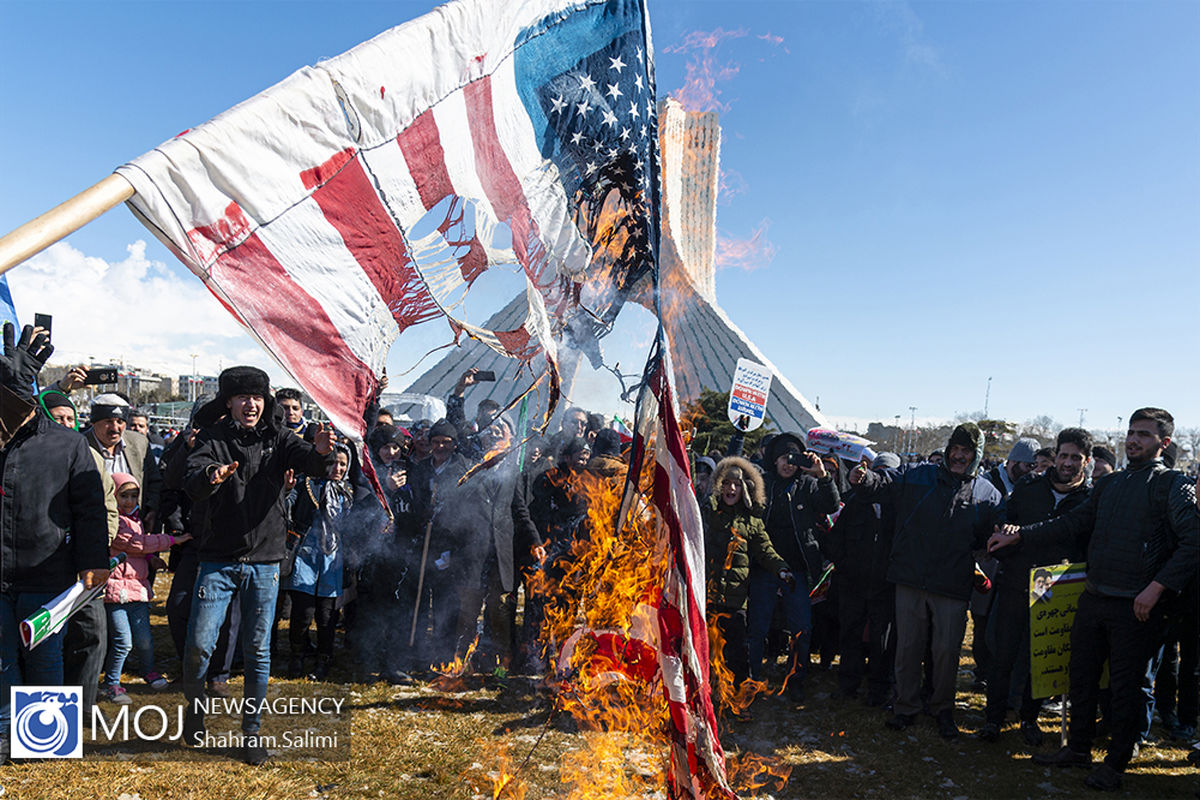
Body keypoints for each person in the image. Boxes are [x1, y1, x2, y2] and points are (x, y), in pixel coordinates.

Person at [989, 408, 1199, 791]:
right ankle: (1078, 748)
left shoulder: (1172, 484)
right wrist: (1021, 535)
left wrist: (1157, 587)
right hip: (1094, 595)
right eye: (1131, 432)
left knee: (1125, 688)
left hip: (1137, 605)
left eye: (1144, 434)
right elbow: (1071, 523)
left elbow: (1193, 542)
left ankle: (1116, 764)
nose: (1133, 439)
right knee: (1081, 679)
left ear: (1164, 443)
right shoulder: (1110, 484)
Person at [182, 366, 335, 765]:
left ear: (265, 402)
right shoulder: (214, 438)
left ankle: (251, 731)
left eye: (257, 397)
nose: (250, 404)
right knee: (199, 645)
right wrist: (212, 475)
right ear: (229, 402)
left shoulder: (279, 437)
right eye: (242, 397)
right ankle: (194, 712)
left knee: (257, 649)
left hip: (265, 560)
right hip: (217, 559)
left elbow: (311, 462)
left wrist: (321, 453)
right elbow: (192, 478)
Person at [850, 422, 1003, 739]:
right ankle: (905, 706)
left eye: (966, 451)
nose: (958, 456)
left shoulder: (988, 495)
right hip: (910, 578)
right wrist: (864, 479)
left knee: (946, 651)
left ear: (977, 455)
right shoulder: (917, 476)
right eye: (954, 449)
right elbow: (884, 483)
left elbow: (992, 535)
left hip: (952, 585)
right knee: (907, 647)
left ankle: (942, 708)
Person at [0, 324, 109, 764]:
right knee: (3, 658)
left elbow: (90, 511)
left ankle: (45, 741)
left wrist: (93, 563)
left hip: (48, 573)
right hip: (2, 575)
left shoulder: (68, 445)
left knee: (45, 657)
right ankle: (6, 736)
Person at [977, 428, 1092, 745]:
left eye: (1075, 458)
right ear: (1055, 456)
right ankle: (993, 719)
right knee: (1003, 655)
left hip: (1057, 590)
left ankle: (1029, 718)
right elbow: (1004, 526)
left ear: (1086, 461)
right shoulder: (1029, 487)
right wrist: (1005, 535)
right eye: (1063, 455)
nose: (1067, 463)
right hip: (1017, 581)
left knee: (1040, 658)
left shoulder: (1090, 500)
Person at [746, 433, 840, 701]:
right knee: (758, 626)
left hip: (797, 568)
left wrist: (822, 475)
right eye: (782, 458)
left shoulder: (808, 484)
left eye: (793, 459)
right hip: (765, 567)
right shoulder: (763, 484)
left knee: (801, 627)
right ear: (773, 460)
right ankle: (752, 677)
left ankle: (796, 679)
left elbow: (831, 505)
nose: (787, 464)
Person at [703, 457, 791, 689]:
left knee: (738, 653)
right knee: (706, 651)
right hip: (707, 597)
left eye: (737, 484)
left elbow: (766, 551)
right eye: (726, 482)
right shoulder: (709, 514)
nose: (731, 488)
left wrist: (781, 569)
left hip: (735, 601)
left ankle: (740, 696)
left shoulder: (752, 521)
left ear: (746, 488)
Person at [101, 473, 187, 704]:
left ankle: (148, 671)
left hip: (137, 589)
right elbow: (133, 543)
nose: (129, 501)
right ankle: (112, 683)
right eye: (124, 496)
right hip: (117, 593)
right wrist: (171, 540)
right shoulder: (113, 522)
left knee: (145, 639)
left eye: (134, 496)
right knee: (123, 641)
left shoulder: (136, 520)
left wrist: (150, 558)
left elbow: (136, 548)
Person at [822, 452, 899, 706]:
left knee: (881, 640)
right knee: (850, 635)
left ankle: (879, 689)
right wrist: (845, 566)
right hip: (853, 583)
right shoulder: (854, 502)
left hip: (885, 585)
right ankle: (848, 685)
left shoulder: (900, 508)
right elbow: (835, 541)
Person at [285, 445, 353, 680]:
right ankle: (297, 655)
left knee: (327, 616)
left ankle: (324, 659)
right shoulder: (307, 484)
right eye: (332, 462)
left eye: (343, 464)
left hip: (333, 560)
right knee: (302, 613)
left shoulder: (348, 491)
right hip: (306, 556)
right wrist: (287, 490)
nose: (337, 468)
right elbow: (289, 505)